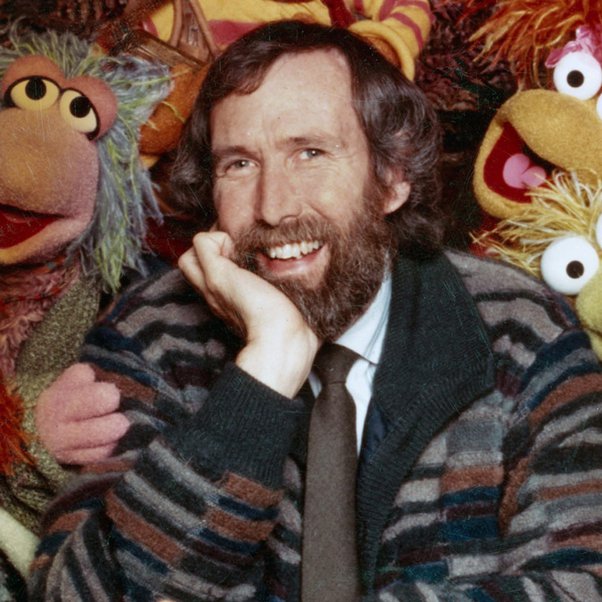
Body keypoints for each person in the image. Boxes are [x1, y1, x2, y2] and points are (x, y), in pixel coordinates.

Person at [30, 20, 602, 601]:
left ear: (392, 177)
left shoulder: (519, 327)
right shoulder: (150, 334)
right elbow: (73, 594)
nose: (274, 207)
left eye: (310, 153)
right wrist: (263, 375)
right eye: (239, 164)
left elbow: (582, 581)